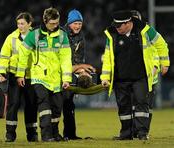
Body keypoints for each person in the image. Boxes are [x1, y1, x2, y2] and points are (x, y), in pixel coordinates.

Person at [100, 10, 170, 140]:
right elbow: (108, 58)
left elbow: (161, 44)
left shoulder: (145, 31)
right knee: (123, 108)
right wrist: (105, 77)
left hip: (141, 77)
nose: (116, 28)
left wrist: (164, 63)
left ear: (128, 23)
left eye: (119, 26)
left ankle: (142, 133)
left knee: (142, 104)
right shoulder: (112, 35)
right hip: (120, 79)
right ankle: (126, 134)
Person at [16, 7, 72, 142]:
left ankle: (54, 133)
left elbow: (66, 59)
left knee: (57, 108)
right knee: (44, 105)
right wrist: (20, 74)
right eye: (52, 23)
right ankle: (46, 135)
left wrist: (66, 79)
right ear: (45, 21)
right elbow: (23, 54)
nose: (55, 25)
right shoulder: (34, 34)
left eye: (57, 22)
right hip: (39, 77)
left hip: (56, 78)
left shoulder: (62, 35)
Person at [0, 12, 38, 142]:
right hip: (15, 76)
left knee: (31, 106)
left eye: (22, 23)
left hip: (31, 76)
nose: (20, 26)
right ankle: (10, 135)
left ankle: (32, 135)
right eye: (18, 23)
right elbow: (4, 56)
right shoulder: (11, 37)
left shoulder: (36, 37)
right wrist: (1, 72)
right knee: (13, 105)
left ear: (29, 24)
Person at [62, 9, 96, 140]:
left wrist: (81, 70)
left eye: (80, 24)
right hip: (59, 73)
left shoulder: (80, 37)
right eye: (75, 23)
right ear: (69, 23)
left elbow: (79, 59)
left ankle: (70, 135)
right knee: (57, 105)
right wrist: (80, 68)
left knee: (69, 105)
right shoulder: (61, 35)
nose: (78, 26)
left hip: (71, 72)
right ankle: (52, 134)